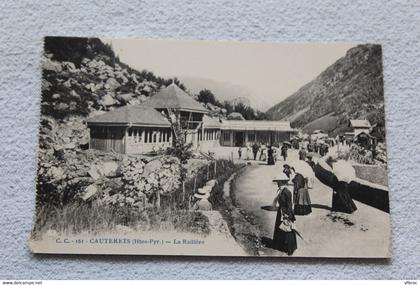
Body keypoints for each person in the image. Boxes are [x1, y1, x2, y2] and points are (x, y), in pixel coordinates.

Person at [272, 174, 297, 256]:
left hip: (286, 213)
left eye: (278, 182)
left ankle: (289, 248)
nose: (277, 183)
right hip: (281, 212)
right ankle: (280, 246)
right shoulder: (280, 190)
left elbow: (289, 205)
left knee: (287, 230)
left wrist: (288, 215)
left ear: (282, 182)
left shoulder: (287, 191)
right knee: (280, 229)